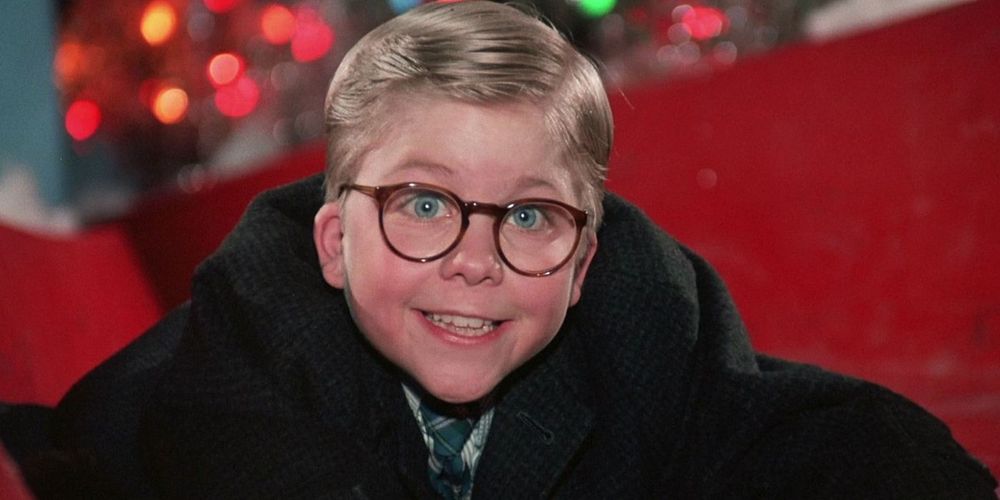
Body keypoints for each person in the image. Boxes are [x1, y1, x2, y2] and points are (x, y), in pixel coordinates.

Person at [53, 1, 996, 498]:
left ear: (585, 265)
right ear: (335, 243)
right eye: (424, 202)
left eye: (532, 217)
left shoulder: (643, 330)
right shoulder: (252, 354)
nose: (478, 259)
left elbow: (790, 432)